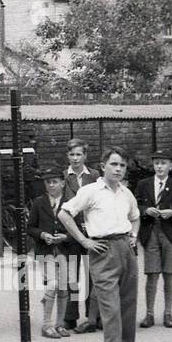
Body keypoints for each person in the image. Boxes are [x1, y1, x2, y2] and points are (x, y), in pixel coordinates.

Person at [58, 148, 141, 342]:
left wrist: (134, 236)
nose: (118, 169)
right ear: (103, 166)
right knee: (111, 312)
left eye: (123, 165)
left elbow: (135, 216)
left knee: (127, 310)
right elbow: (65, 213)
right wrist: (84, 241)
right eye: (114, 164)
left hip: (126, 249)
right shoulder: (90, 191)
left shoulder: (126, 193)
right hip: (102, 251)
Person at [135, 151, 172, 329]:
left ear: (171, 166)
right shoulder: (143, 184)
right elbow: (134, 206)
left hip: (169, 233)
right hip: (151, 232)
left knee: (169, 273)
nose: (159, 166)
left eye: (163, 163)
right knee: (152, 273)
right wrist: (145, 210)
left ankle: (168, 313)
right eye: (156, 163)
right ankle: (149, 314)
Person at [29, 168, 75, 338]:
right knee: (53, 284)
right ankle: (47, 324)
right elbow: (30, 227)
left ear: (63, 183)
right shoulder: (39, 203)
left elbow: (78, 229)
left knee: (63, 288)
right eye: (48, 182)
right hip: (46, 250)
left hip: (64, 250)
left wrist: (66, 237)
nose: (52, 185)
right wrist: (42, 235)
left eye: (55, 181)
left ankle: (60, 324)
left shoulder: (71, 202)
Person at [64, 140, 100, 331]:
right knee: (72, 275)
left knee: (92, 273)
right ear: (67, 156)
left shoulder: (94, 176)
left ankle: (93, 316)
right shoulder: (64, 177)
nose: (75, 158)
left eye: (79, 154)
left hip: (92, 232)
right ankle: (70, 316)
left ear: (85, 156)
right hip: (71, 233)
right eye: (72, 155)